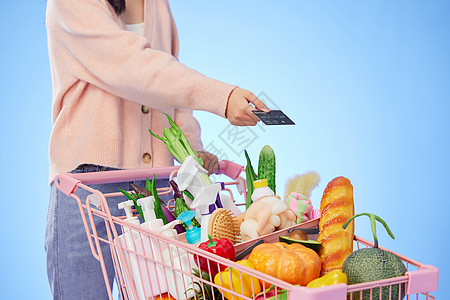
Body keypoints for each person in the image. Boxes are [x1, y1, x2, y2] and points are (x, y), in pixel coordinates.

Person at [44, 0, 269, 299]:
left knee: (172, 293)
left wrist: (192, 151)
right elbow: (131, 67)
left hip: (156, 188)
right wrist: (221, 97)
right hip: (87, 187)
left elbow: (169, 87)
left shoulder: (157, 6)